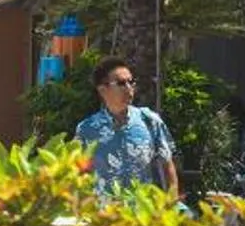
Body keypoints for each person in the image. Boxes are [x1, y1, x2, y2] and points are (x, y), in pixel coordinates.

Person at [75, 57, 180, 199]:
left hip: (142, 214)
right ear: (102, 90)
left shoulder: (150, 121)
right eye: (121, 83)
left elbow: (168, 166)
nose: (129, 88)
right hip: (104, 215)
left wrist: (171, 203)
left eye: (131, 82)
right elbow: (79, 174)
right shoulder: (86, 130)